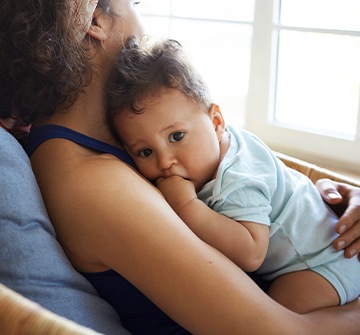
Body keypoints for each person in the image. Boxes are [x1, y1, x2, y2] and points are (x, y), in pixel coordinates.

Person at [2, 1, 360, 334]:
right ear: (93, 19)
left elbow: (249, 179)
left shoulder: (121, 135)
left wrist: (320, 203)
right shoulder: (91, 181)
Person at [106, 37, 360, 314]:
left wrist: (186, 206)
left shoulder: (237, 180)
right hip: (321, 245)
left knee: (273, 315)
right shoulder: (220, 144)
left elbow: (252, 253)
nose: (165, 162)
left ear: (216, 122)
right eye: (144, 152)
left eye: (176, 136)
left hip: (323, 262)